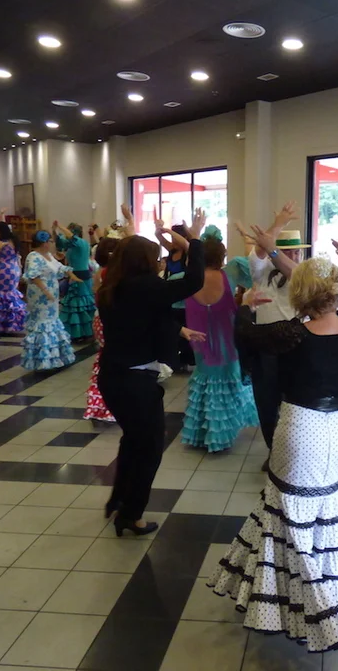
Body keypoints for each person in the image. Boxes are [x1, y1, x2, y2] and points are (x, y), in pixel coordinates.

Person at [209, 256, 338, 652]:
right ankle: (318, 590)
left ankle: (320, 608)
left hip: (301, 426)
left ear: (299, 294)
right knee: (326, 506)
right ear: (336, 292)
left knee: (289, 508)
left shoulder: (291, 334)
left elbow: (243, 333)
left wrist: (245, 304)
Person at [98, 209, 206, 536]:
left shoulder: (113, 286)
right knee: (149, 450)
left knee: (133, 441)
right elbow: (194, 281)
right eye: (156, 258)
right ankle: (131, 515)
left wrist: (179, 330)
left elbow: (143, 319)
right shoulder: (145, 287)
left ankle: (119, 500)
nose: (160, 262)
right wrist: (195, 239)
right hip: (135, 383)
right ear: (144, 262)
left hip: (113, 376)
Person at [242, 203, 338, 465]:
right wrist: (278, 224)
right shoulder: (262, 272)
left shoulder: (306, 277)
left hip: (298, 345)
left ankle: (290, 449)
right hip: (267, 345)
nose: (294, 255)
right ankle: (274, 449)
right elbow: (260, 252)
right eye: (288, 251)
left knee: (291, 400)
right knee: (266, 402)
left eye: (297, 250)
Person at [181, 226, 259, 452]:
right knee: (228, 377)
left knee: (205, 379)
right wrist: (246, 240)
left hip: (199, 339)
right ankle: (221, 434)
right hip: (227, 337)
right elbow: (254, 266)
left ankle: (201, 432)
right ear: (221, 256)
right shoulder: (230, 273)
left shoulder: (187, 280)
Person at [21, 231, 80, 371]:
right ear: (44, 243)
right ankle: (42, 360)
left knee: (52, 321)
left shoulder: (48, 255)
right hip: (40, 297)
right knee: (43, 324)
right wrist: (46, 291)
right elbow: (34, 276)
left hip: (51, 296)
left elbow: (60, 267)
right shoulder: (33, 256)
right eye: (51, 241)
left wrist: (74, 276)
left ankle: (55, 358)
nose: (53, 244)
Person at [84, 238, 120, 423]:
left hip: (99, 318)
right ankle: (109, 406)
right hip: (109, 321)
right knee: (113, 362)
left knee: (105, 360)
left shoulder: (100, 272)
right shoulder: (112, 274)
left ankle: (101, 404)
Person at [158, 219, 194, 372]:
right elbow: (159, 238)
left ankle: (187, 360)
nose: (172, 241)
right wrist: (159, 228)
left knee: (185, 328)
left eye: (174, 237)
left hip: (185, 299)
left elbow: (187, 244)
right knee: (172, 330)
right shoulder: (172, 251)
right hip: (171, 297)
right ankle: (173, 360)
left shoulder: (187, 252)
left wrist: (170, 231)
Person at [53, 221, 95, 341]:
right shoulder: (72, 245)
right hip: (73, 276)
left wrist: (60, 226)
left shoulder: (82, 243)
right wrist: (54, 230)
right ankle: (78, 332)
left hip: (81, 277)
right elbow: (58, 242)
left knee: (80, 305)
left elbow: (70, 236)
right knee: (75, 305)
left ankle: (83, 333)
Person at [0, 221, 26, 334]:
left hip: (4, 269)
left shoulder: (1, 242)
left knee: (3, 295)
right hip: (14, 268)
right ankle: (13, 323)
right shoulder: (14, 240)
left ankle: (3, 324)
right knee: (12, 293)